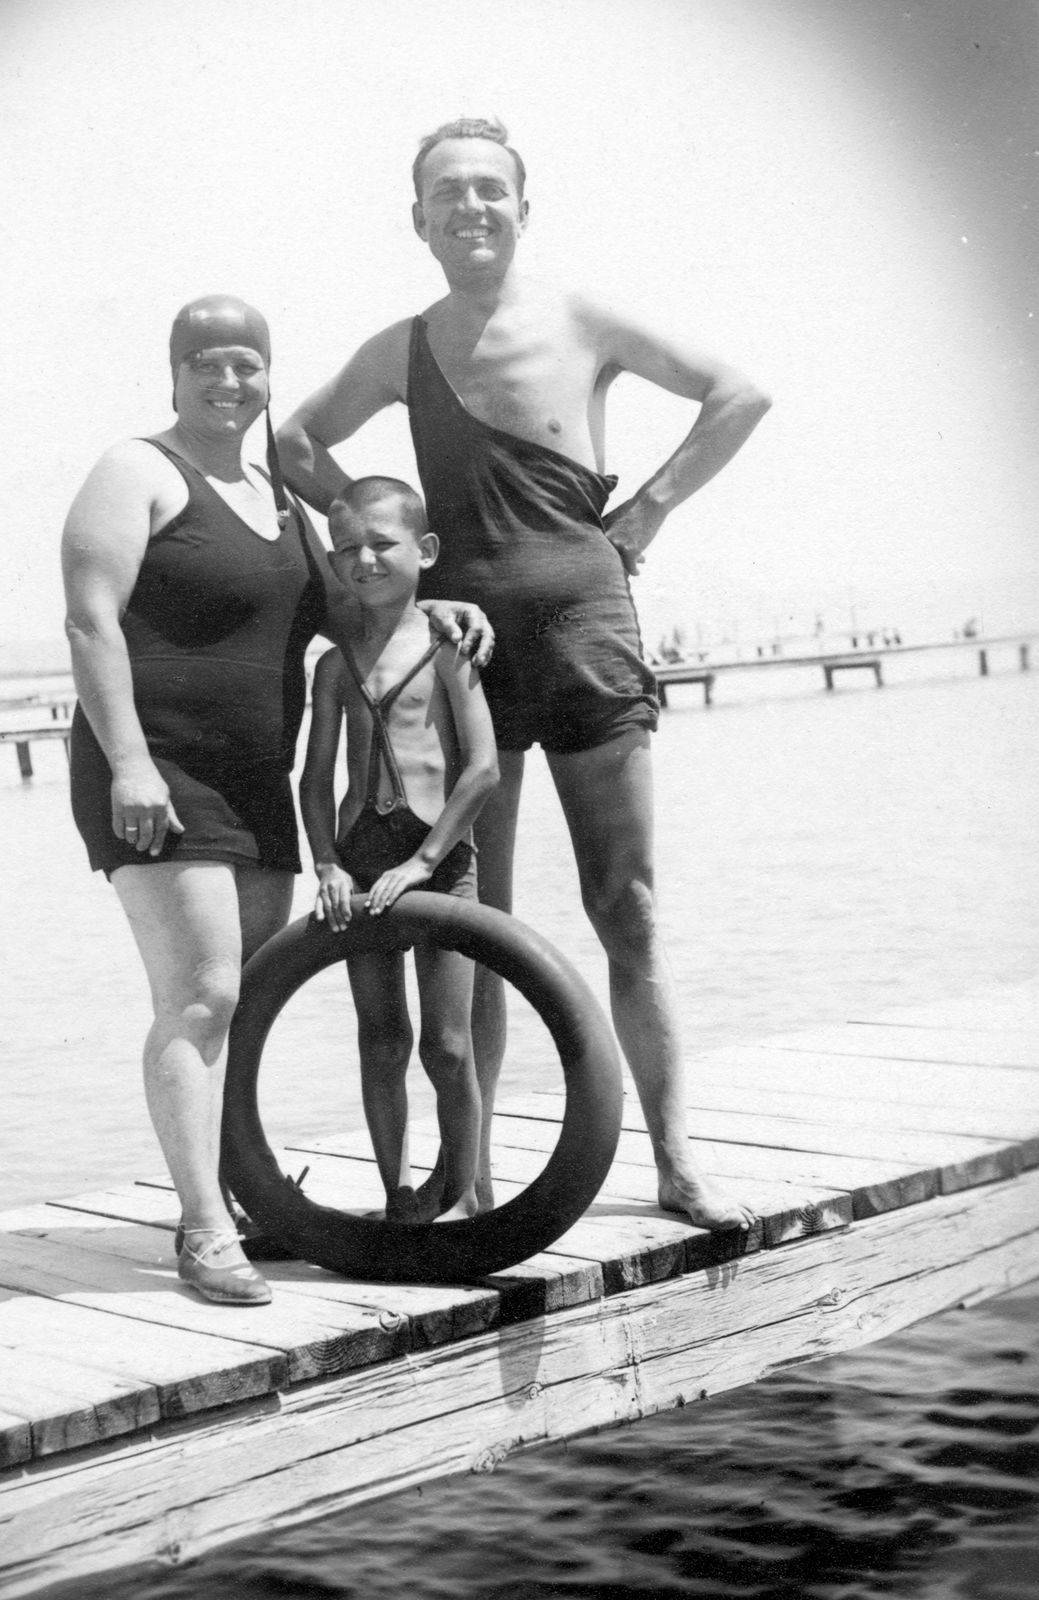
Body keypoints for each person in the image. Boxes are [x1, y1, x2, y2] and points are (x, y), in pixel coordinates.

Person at [279, 119, 772, 1232]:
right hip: (467, 660)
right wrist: (389, 546)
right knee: (477, 921)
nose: (470, 207)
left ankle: (677, 1160)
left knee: (627, 907)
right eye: (446, 193)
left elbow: (735, 392)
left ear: (521, 205)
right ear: (418, 219)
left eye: (489, 189)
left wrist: (645, 508)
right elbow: (296, 445)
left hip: (589, 632)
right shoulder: (401, 348)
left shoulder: (583, 317)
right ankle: (477, 1176)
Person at [62, 295, 491, 1305]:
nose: (229, 381)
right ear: (173, 373)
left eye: (247, 364)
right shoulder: (136, 470)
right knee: (203, 994)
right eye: (206, 363)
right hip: (159, 769)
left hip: (258, 777)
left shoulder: (276, 497)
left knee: (239, 999)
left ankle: (234, 1193)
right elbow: (89, 621)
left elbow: (357, 603)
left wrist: (441, 605)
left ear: (267, 376)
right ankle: (208, 1229)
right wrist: (128, 762)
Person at [300, 477, 499, 1224]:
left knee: (447, 1046)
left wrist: (422, 863)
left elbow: (482, 769)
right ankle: (397, 1198)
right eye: (347, 548)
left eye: (382, 544)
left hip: (438, 856)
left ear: (425, 550)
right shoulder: (333, 666)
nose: (365, 560)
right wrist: (325, 861)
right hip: (360, 853)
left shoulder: (450, 647)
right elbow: (315, 779)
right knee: (381, 1037)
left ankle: (468, 1197)